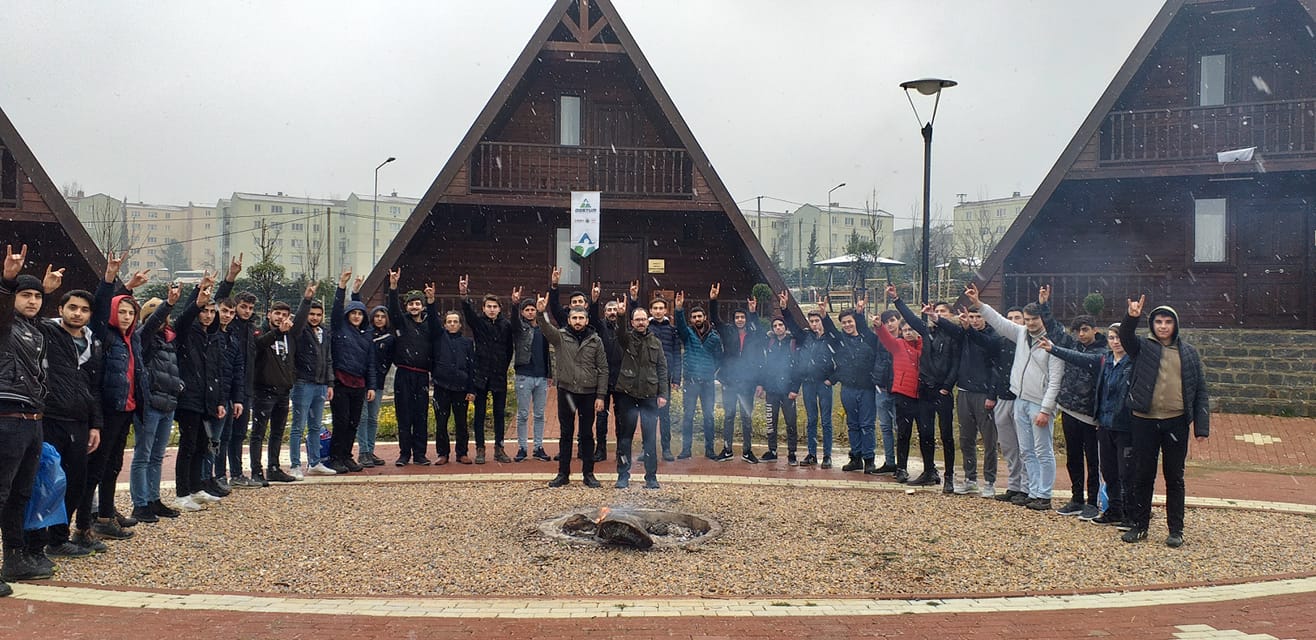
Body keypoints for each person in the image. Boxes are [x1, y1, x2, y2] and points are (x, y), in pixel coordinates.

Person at [1119, 295, 1209, 547]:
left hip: (1175, 422)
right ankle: (1139, 526)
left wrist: (1201, 427)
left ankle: (1176, 530)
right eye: (1158, 321)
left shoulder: (1189, 353)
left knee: (1175, 477)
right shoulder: (1143, 348)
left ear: (1175, 325)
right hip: (1144, 422)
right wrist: (1132, 317)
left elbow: (1200, 390)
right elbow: (1126, 337)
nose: (1162, 326)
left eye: (1168, 322)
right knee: (1142, 475)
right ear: (1152, 324)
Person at [966, 283, 1063, 511]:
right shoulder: (1020, 334)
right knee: (1026, 450)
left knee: (1043, 450)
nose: (1030, 323)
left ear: (1042, 320)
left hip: (1039, 403)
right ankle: (1031, 490)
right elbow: (999, 321)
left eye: (1034, 319)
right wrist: (978, 304)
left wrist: (1046, 409)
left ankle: (1044, 494)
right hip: (1020, 399)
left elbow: (1056, 380)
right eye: (1027, 319)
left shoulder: (1052, 342)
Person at [91, 255, 163, 539]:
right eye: (121, 312)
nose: (127, 317)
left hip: (126, 409)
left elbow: (154, 320)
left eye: (131, 313)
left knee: (114, 465)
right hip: (108, 409)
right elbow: (100, 307)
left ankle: (107, 510)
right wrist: (114, 279)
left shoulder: (131, 338)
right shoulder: (104, 334)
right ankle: (95, 519)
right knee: (99, 465)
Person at [32, 283, 105, 558]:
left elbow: (94, 388)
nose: (77, 313)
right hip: (50, 418)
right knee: (46, 481)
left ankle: (59, 538)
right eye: (72, 307)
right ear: (60, 309)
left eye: (84, 310)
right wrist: (45, 290)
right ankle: (35, 543)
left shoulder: (92, 344)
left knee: (75, 482)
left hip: (80, 421)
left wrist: (95, 424)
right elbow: (28, 318)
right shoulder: (47, 332)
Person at [0, 247, 59, 590]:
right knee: (2, 492)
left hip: (33, 417)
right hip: (7, 415)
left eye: (37, 296)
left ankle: (15, 557)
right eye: (26, 295)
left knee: (21, 493)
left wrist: (47, 291)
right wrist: (7, 279)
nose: (33, 301)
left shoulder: (34, 331)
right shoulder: (4, 324)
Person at [1039, 323, 1134, 528]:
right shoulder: (1104, 359)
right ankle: (1089, 502)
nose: (1116, 342)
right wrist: (1053, 348)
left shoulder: (1133, 362)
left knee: (1110, 466)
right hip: (1090, 416)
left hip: (1105, 420)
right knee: (1085, 462)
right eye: (1112, 338)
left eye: (1119, 338)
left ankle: (1104, 504)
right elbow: (1076, 355)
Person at [1038, 286, 1107, 520]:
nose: (1081, 335)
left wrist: (1056, 350)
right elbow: (1056, 331)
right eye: (1077, 331)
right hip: (1069, 410)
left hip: (1090, 414)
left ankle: (1092, 501)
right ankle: (1076, 498)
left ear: (1095, 330)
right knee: (1073, 458)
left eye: (1085, 330)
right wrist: (1044, 306)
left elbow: (1084, 360)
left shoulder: (1103, 352)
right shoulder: (1072, 344)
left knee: (1093, 460)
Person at [174, 274, 232, 512]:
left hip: (207, 399)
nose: (208, 315)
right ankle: (181, 492)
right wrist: (201, 288)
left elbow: (216, 370)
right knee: (187, 446)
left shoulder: (214, 337)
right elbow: (186, 313)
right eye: (204, 310)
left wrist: (219, 400)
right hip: (189, 398)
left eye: (211, 311)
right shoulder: (187, 332)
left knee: (202, 445)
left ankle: (197, 487)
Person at [537, 296, 607, 488]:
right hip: (567, 392)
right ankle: (563, 473)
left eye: (581, 318)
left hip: (588, 393)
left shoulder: (596, 340)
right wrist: (541, 313)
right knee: (566, 433)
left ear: (586, 320)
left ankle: (588, 474)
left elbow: (603, 369)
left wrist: (600, 395)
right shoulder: (560, 337)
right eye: (574, 318)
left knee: (586, 435)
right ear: (569, 320)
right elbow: (545, 329)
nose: (577, 322)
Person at [250, 282, 315, 484]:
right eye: (277, 313)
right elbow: (260, 345)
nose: (281, 318)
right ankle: (256, 470)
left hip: (283, 390)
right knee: (259, 433)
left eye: (285, 315)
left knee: (277, 432)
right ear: (269, 314)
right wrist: (277, 332)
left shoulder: (290, 336)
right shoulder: (259, 332)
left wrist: (307, 300)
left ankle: (274, 467)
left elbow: (302, 320)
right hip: (263, 390)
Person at [934, 305, 999, 497]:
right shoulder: (965, 334)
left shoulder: (992, 337)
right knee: (966, 439)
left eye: (978, 316)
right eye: (971, 316)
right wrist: (936, 318)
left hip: (984, 394)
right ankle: (971, 479)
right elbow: (953, 330)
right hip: (964, 392)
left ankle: (990, 481)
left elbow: (996, 369)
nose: (975, 320)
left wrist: (991, 395)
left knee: (989, 441)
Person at [897, 298, 960, 494]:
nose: (938, 314)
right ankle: (929, 471)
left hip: (943, 390)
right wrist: (897, 300)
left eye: (943, 312)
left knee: (946, 435)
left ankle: (949, 476)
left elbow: (955, 364)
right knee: (926, 433)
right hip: (925, 390)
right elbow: (911, 319)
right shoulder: (927, 332)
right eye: (936, 311)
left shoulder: (956, 335)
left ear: (951, 316)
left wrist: (947, 386)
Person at [214, 255, 260, 488]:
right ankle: (219, 473)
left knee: (238, 434)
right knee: (222, 436)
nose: (246, 311)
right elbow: (219, 299)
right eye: (243, 307)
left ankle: (237, 473)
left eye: (250, 308)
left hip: (244, 389)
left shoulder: (252, 329)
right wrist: (231, 276)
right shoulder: (226, 325)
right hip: (224, 387)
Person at [460, 275, 514, 464]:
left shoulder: (506, 325)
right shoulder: (479, 323)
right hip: (481, 375)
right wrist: (464, 295)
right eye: (488, 306)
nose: (492, 310)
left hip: (498, 375)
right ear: (483, 308)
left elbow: (509, 350)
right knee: (480, 414)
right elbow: (468, 314)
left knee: (499, 414)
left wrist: (503, 366)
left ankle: (499, 448)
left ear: (499, 309)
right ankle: (480, 449)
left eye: (495, 306)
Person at [613, 306, 669, 489]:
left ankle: (651, 477)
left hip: (649, 396)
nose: (640, 322)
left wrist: (662, 394)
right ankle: (623, 476)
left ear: (648, 321)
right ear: (632, 322)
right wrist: (621, 316)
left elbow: (662, 369)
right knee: (625, 438)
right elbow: (620, 332)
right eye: (637, 320)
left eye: (643, 319)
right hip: (627, 395)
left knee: (650, 439)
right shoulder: (626, 339)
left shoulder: (656, 342)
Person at [326, 269, 376, 474]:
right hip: (340, 382)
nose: (356, 316)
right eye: (353, 313)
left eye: (359, 314)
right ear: (348, 315)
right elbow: (336, 310)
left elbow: (371, 363)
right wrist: (342, 286)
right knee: (341, 422)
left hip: (359, 384)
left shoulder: (366, 335)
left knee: (354, 423)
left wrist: (371, 385)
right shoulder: (339, 328)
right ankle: (335, 457)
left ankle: (347, 456)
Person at [779, 292, 835, 468]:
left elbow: (841, 359)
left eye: (817, 321)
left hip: (824, 384)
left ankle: (827, 455)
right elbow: (793, 326)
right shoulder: (805, 337)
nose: (814, 324)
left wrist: (832, 379)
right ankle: (812, 453)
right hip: (808, 383)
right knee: (811, 420)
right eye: (811, 321)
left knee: (826, 420)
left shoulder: (830, 337)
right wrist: (784, 308)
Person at [877, 286, 926, 484]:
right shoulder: (898, 346)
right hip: (903, 395)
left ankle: (928, 469)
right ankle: (901, 468)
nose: (907, 333)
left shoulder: (924, 346)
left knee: (925, 434)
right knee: (903, 434)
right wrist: (878, 326)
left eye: (910, 330)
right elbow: (885, 338)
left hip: (922, 396)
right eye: (904, 330)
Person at [708, 284, 762, 463]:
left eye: (742, 317)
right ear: (734, 319)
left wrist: (753, 312)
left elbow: (760, 331)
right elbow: (715, 319)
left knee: (746, 417)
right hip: (730, 381)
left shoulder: (753, 335)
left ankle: (747, 451)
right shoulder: (728, 331)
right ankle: (727, 449)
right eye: (737, 317)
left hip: (747, 382)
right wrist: (713, 300)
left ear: (746, 319)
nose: (740, 320)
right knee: (729, 416)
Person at [823, 298, 878, 473]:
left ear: (855, 322)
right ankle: (856, 457)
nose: (847, 325)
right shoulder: (840, 341)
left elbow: (866, 330)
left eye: (850, 321)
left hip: (867, 388)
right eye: (844, 322)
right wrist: (824, 315)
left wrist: (860, 312)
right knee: (853, 424)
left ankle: (869, 459)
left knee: (867, 425)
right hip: (847, 388)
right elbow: (830, 330)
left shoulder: (868, 338)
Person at [288, 294, 333, 480]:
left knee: (315, 426)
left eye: (318, 314)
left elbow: (328, 358)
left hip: (320, 384)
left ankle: (315, 462)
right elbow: (298, 323)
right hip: (302, 383)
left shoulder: (325, 332)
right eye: (311, 314)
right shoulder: (300, 332)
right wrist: (305, 301)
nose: (315, 317)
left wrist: (330, 383)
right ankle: (295, 464)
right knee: (298, 426)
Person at [673, 291, 722, 460]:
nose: (697, 319)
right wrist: (678, 309)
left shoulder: (714, 337)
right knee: (688, 416)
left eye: (699, 316)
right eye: (693, 317)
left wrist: (709, 371)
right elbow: (679, 325)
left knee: (709, 416)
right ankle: (686, 449)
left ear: (705, 317)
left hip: (707, 383)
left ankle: (710, 450)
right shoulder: (687, 334)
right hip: (691, 382)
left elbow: (719, 359)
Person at [509, 288, 551, 462]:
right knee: (523, 414)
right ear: (522, 312)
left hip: (541, 377)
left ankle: (538, 447)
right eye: (527, 310)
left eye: (532, 309)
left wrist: (549, 374)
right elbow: (513, 320)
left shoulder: (544, 328)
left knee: (540, 414)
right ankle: (522, 447)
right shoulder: (520, 328)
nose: (530, 312)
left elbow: (548, 353)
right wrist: (514, 304)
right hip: (524, 375)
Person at [430, 307, 474, 464]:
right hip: (442, 387)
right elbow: (432, 320)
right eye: (449, 322)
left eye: (455, 322)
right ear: (444, 325)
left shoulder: (467, 343)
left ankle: (462, 453)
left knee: (461, 422)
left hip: (461, 388)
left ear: (460, 325)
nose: (453, 324)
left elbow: (471, 367)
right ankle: (443, 453)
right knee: (441, 423)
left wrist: (471, 389)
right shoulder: (439, 339)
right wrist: (431, 302)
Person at [756, 312, 800, 464]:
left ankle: (792, 452)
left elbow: (798, 368)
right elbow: (764, 366)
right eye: (775, 326)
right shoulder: (770, 343)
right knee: (771, 421)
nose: (778, 328)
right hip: (772, 390)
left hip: (788, 391)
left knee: (791, 422)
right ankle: (772, 450)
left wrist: (795, 388)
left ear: (785, 327)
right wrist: (761, 384)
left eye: (780, 325)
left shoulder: (793, 343)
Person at [645, 292, 682, 462]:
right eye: (655, 308)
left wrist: (676, 378)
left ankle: (666, 448)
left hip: (665, 378)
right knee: (647, 415)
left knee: (664, 415)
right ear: (650, 311)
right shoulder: (646, 329)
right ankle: (646, 449)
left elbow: (677, 354)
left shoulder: (672, 330)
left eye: (661, 308)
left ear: (666, 310)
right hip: (647, 378)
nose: (658, 311)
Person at [359, 301, 394, 467]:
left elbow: (388, 361)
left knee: (373, 418)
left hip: (378, 383)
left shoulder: (389, 338)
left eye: (383, 317)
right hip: (362, 382)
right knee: (363, 417)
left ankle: (370, 451)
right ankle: (363, 451)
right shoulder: (365, 334)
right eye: (377, 316)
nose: (379, 319)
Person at [872, 309, 900, 473]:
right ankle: (890, 461)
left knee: (899, 428)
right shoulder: (879, 340)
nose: (890, 324)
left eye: (892, 320)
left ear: (898, 321)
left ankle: (901, 463)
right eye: (886, 322)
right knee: (885, 427)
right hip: (881, 389)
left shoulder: (905, 340)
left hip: (898, 390)